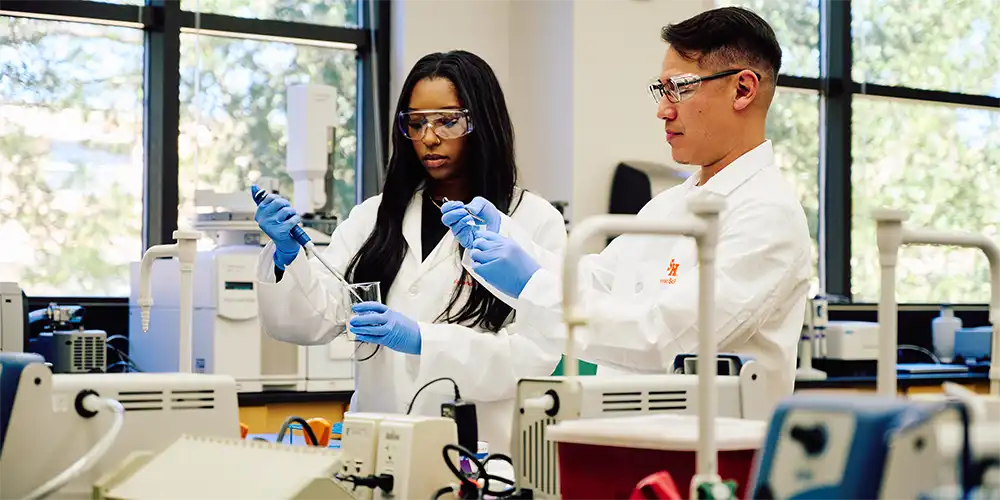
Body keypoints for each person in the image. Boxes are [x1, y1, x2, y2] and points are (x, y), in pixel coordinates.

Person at [441, 7, 811, 405]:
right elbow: (598, 282)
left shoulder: (768, 215)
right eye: (661, 89)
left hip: (713, 456)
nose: (663, 109)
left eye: (680, 88)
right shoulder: (670, 204)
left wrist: (530, 282)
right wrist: (506, 240)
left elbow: (663, 338)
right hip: (632, 440)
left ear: (743, 89)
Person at [252, 50, 567, 455]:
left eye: (447, 121)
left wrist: (422, 340)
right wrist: (285, 256)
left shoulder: (532, 220)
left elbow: (534, 355)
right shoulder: (374, 216)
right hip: (375, 443)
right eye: (416, 124)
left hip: (475, 452)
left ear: (482, 122)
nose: (429, 138)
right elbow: (312, 321)